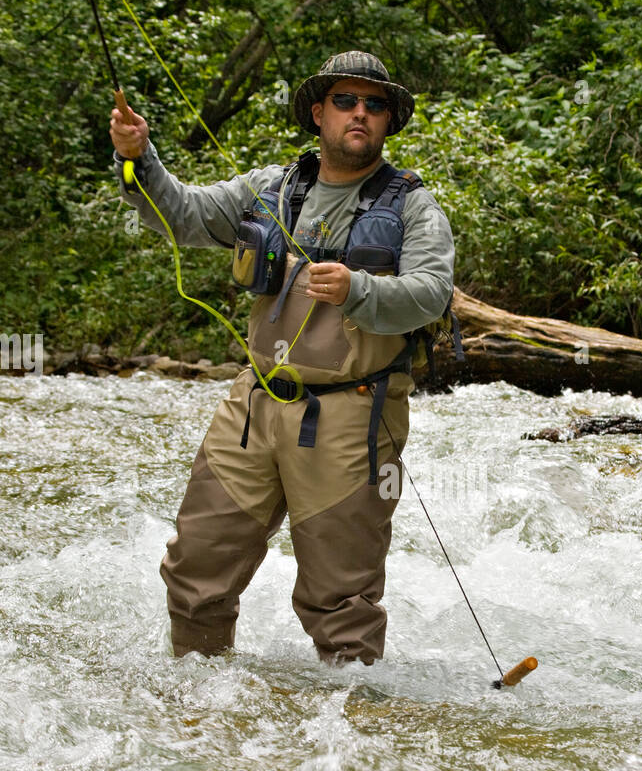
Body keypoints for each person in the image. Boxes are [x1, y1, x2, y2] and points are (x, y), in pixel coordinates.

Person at [110, 50, 455, 665]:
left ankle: (349, 743)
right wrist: (139, 159)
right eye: (346, 101)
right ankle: (197, 709)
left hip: (352, 414)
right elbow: (181, 215)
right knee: (196, 568)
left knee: (341, 602)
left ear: (387, 121)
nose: (360, 114)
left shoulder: (411, 207)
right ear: (318, 112)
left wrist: (359, 289)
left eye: (374, 105)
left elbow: (431, 295)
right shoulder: (270, 189)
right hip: (254, 404)